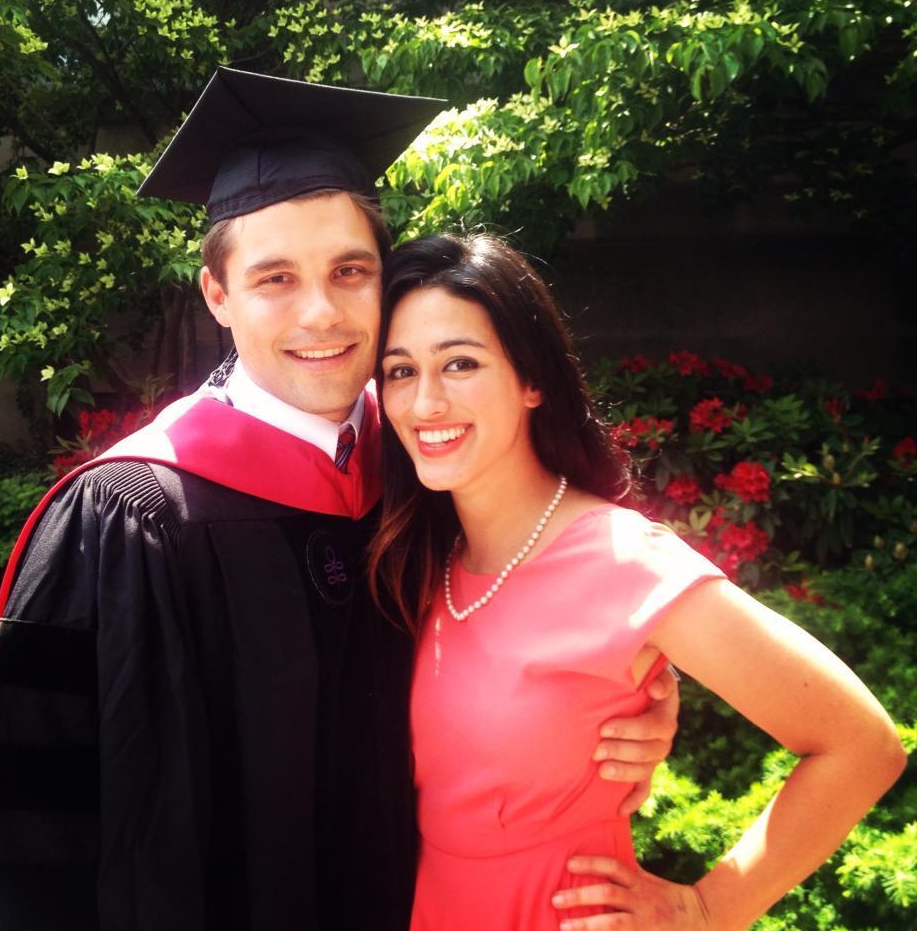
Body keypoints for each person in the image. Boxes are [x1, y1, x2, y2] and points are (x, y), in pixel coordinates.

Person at [0, 69, 677, 931]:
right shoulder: (132, 517)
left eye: (350, 270)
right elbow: (35, 830)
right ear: (217, 295)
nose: (322, 313)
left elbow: (540, 619)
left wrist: (637, 695)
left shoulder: (425, 472)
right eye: (274, 279)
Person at [369, 232, 906, 931]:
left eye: (460, 363)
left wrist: (708, 908)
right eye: (400, 371)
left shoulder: (622, 562)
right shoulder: (412, 551)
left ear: (533, 380)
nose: (425, 403)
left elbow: (861, 745)